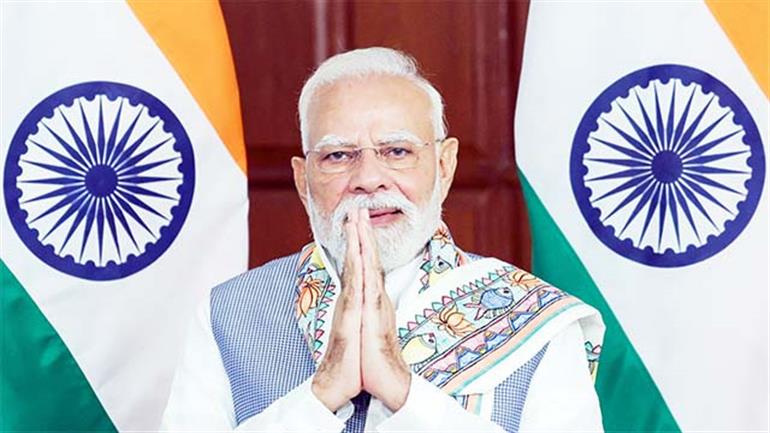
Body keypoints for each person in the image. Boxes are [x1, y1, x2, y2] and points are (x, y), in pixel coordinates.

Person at [161, 47, 604, 432]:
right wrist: (320, 395)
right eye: (338, 155)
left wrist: (404, 392)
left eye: (397, 151)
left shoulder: (537, 321)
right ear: (302, 180)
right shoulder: (229, 313)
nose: (369, 179)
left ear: (444, 166)